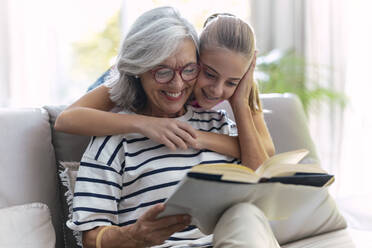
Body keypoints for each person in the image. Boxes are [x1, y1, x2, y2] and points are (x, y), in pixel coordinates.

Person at [67, 6, 280, 248]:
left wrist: (241, 100)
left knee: (247, 214)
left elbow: (263, 184)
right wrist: (133, 236)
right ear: (140, 70)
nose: (177, 84)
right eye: (163, 71)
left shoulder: (218, 124)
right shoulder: (113, 139)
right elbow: (90, 239)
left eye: (189, 70)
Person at [54, 13, 275, 171]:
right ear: (198, 56)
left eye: (232, 82)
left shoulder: (236, 87)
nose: (217, 90)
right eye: (209, 73)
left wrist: (238, 104)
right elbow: (67, 119)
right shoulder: (141, 76)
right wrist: (146, 123)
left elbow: (264, 154)